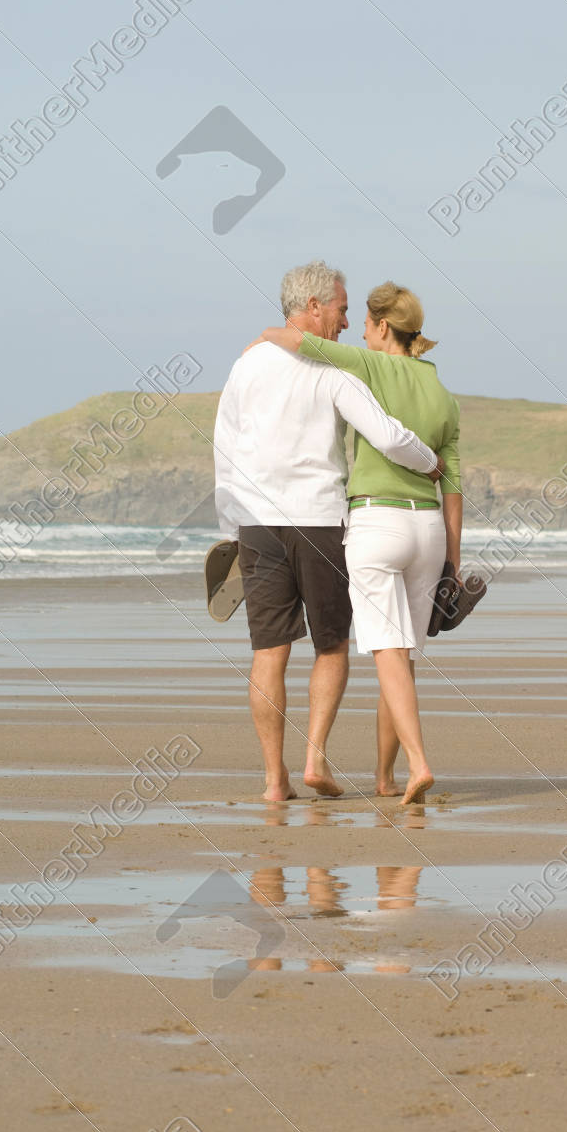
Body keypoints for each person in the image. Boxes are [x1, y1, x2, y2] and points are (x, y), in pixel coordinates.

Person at [213, 262, 443, 803]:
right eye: (340, 308)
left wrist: (232, 526)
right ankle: (315, 760)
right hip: (318, 519)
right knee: (332, 645)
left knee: (269, 650)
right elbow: (386, 435)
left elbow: (224, 445)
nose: (344, 321)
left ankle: (275, 781)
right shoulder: (334, 371)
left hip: (258, 524)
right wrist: (430, 460)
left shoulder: (246, 364)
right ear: (313, 307)